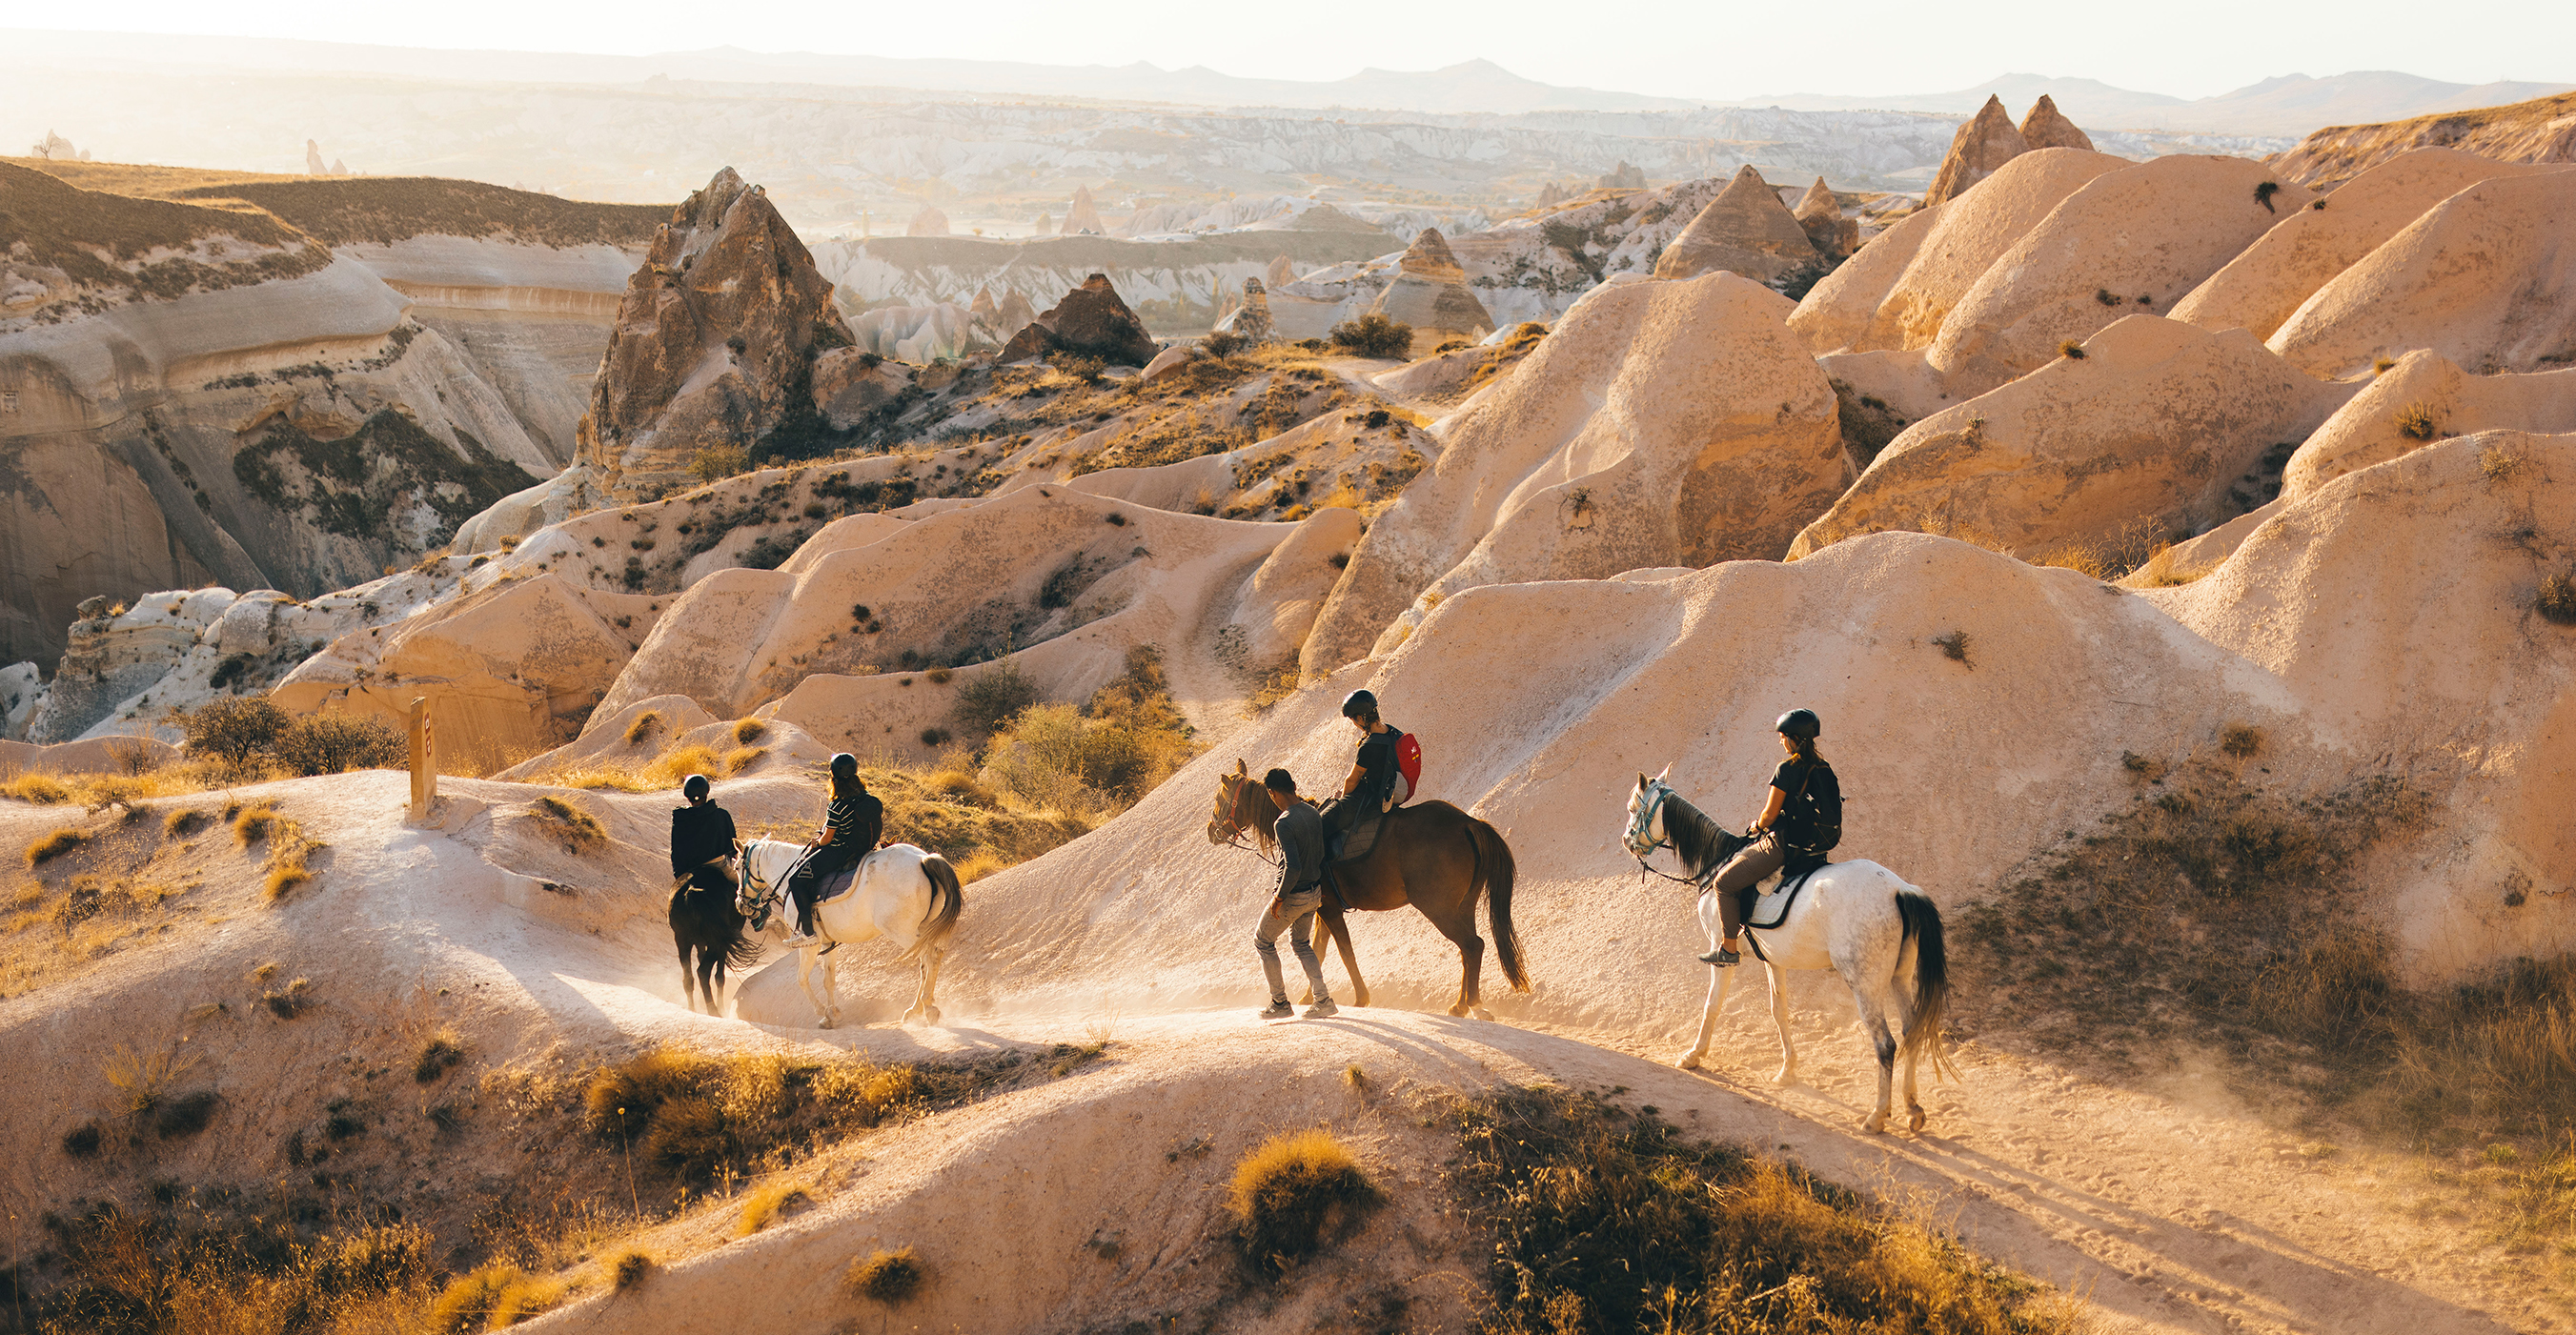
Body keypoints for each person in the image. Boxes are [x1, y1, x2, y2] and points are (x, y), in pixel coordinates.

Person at [1698, 709, 1841, 966]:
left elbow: (1770, 814)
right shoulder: (1825, 769)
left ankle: (1728, 949)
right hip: (1817, 847)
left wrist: (1757, 825)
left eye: (1783, 736)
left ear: (1795, 738)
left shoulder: (1786, 769)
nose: (1781, 741)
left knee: (1723, 884)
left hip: (1785, 846)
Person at [1253, 768, 1336, 1020]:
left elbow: (1292, 866)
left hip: (1293, 896)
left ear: (1272, 793)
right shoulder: (1312, 812)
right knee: (1301, 944)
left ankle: (1280, 1003)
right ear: (1294, 785)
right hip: (1314, 893)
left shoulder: (1283, 822)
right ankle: (1323, 1000)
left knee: (1263, 941)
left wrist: (1279, 898)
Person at [781, 753, 884, 951]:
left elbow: (827, 839)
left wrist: (816, 843)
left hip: (841, 852)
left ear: (833, 777)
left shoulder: (837, 806)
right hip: (866, 848)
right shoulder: (866, 797)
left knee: (796, 880)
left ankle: (808, 933)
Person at [1325, 689, 1401, 841]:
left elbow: (1353, 780)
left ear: (1360, 717)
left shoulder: (1370, 745)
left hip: (1369, 798)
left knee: (1319, 826)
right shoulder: (1393, 732)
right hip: (1390, 791)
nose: (1354, 724)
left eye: (1353, 720)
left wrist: (1341, 800)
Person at [668, 774, 739, 895]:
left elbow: (676, 852)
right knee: (744, 890)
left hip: (689, 871)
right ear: (707, 792)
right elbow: (732, 847)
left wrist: (679, 876)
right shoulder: (721, 815)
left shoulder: (680, 819)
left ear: (687, 796)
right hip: (718, 865)